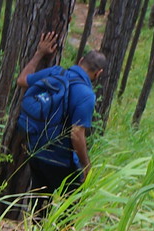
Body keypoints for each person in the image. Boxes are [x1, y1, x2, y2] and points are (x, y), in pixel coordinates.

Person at [16, 31, 106, 214]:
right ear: (99, 73)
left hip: (35, 152)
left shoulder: (55, 73)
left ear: (80, 61)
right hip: (60, 161)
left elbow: (21, 80)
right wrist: (86, 166)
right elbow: (76, 134)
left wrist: (40, 53)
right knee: (70, 208)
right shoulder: (86, 95)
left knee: (39, 206)